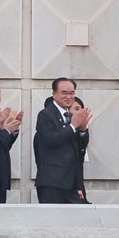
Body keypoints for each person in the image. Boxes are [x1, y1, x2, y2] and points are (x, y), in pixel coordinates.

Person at [33, 77, 90, 205]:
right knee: (52, 221)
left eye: (72, 93)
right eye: (64, 93)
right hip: (52, 182)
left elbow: (80, 149)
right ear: (54, 94)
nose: (69, 97)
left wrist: (82, 129)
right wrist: (72, 127)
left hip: (71, 182)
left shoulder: (71, 116)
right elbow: (51, 140)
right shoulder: (46, 115)